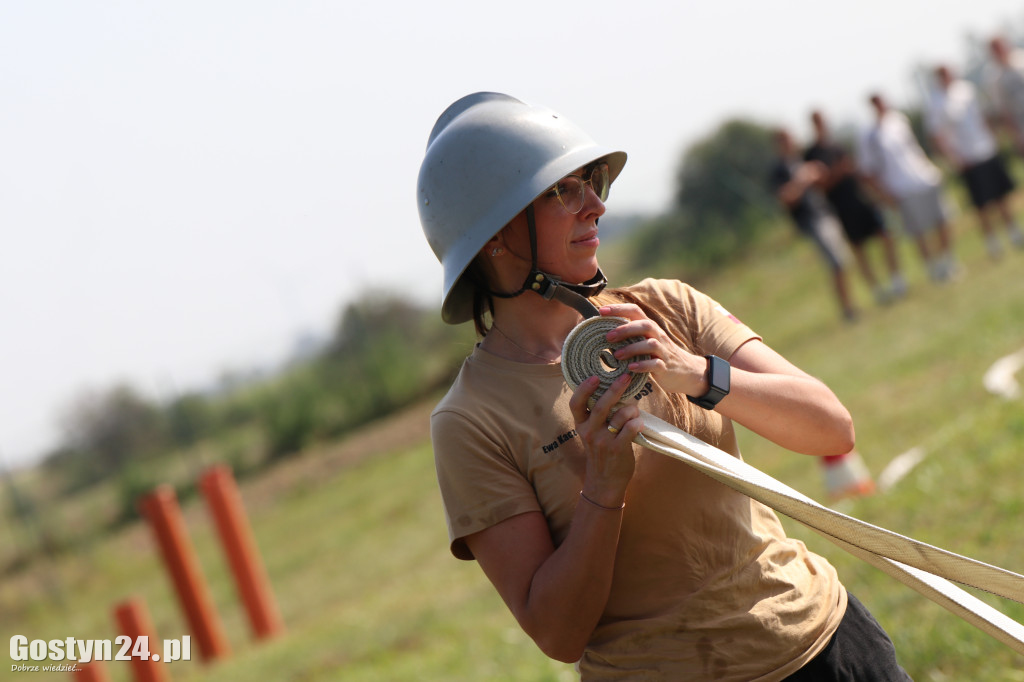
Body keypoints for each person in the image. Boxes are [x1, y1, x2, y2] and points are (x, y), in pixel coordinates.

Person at [417, 92, 910, 680]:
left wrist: (699, 374)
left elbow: (831, 425)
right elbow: (557, 631)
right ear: (494, 235)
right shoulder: (470, 420)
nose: (595, 205)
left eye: (592, 181)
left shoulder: (667, 308)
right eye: (562, 190)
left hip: (825, 646)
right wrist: (603, 488)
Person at [805, 110, 907, 304]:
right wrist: (837, 172)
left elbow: (852, 169)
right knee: (859, 250)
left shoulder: (836, 145)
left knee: (886, 235)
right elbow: (819, 185)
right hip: (841, 207)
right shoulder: (811, 153)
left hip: (860, 199)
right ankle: (877, 289)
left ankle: (896, 279)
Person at [858, 92, 960, 283]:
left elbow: (914, 149)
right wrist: (884, 195)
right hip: (901, 188)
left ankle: (948, 260)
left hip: (924, 177)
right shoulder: (869, 135)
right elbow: (867, 172)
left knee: (943, 219)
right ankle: (934, 268)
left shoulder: (899, 120)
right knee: (918, 231)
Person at [926, 64, 1024, 259]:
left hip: (986, 148)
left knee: (1000, 195)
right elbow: (937, 135)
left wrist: (994, 136)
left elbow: (984, 115)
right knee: (981, 204)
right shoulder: (935, 102)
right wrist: (954, 158)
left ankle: (1013, 231)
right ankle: (992, 241)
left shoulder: (966, 89)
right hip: (967, 158)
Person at [768, 127, 858, 321]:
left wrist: (819, 175)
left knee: (843, 260)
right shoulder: (779, 171)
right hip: (810, 220)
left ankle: (850, 305)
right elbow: (785, 198)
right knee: (837, 262)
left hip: (826, 213)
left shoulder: (803, 161)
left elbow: (823, 183)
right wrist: (802, 180)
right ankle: (847, 309)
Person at [984, 35, 1024, 156]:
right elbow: (1003, 111)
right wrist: (1016, 136)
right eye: (996, 49)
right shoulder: (994, 77)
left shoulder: (1021, 60)